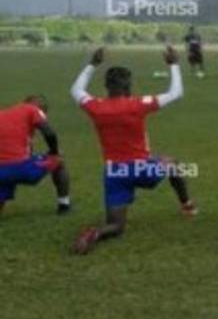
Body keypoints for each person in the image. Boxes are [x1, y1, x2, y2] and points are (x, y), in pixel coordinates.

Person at [70, 46, 197, 254]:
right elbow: (176, 93)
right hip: (142, 169)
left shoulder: (96, 107)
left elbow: (76, 91)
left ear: (106, 86)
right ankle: (187, 205)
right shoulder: (137, 104)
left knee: (116, 226)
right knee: (174, 164)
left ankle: (95, 234)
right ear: (128, 85)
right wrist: (173, 64)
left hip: (114, 173)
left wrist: (92, 63)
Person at [0, 96, 71, 216]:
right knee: (59, 160)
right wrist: (54, 152)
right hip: (22, 169)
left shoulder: (5, 113)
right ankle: (64, 205)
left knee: (6, 174)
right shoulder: (33, 109)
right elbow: (49, 132)